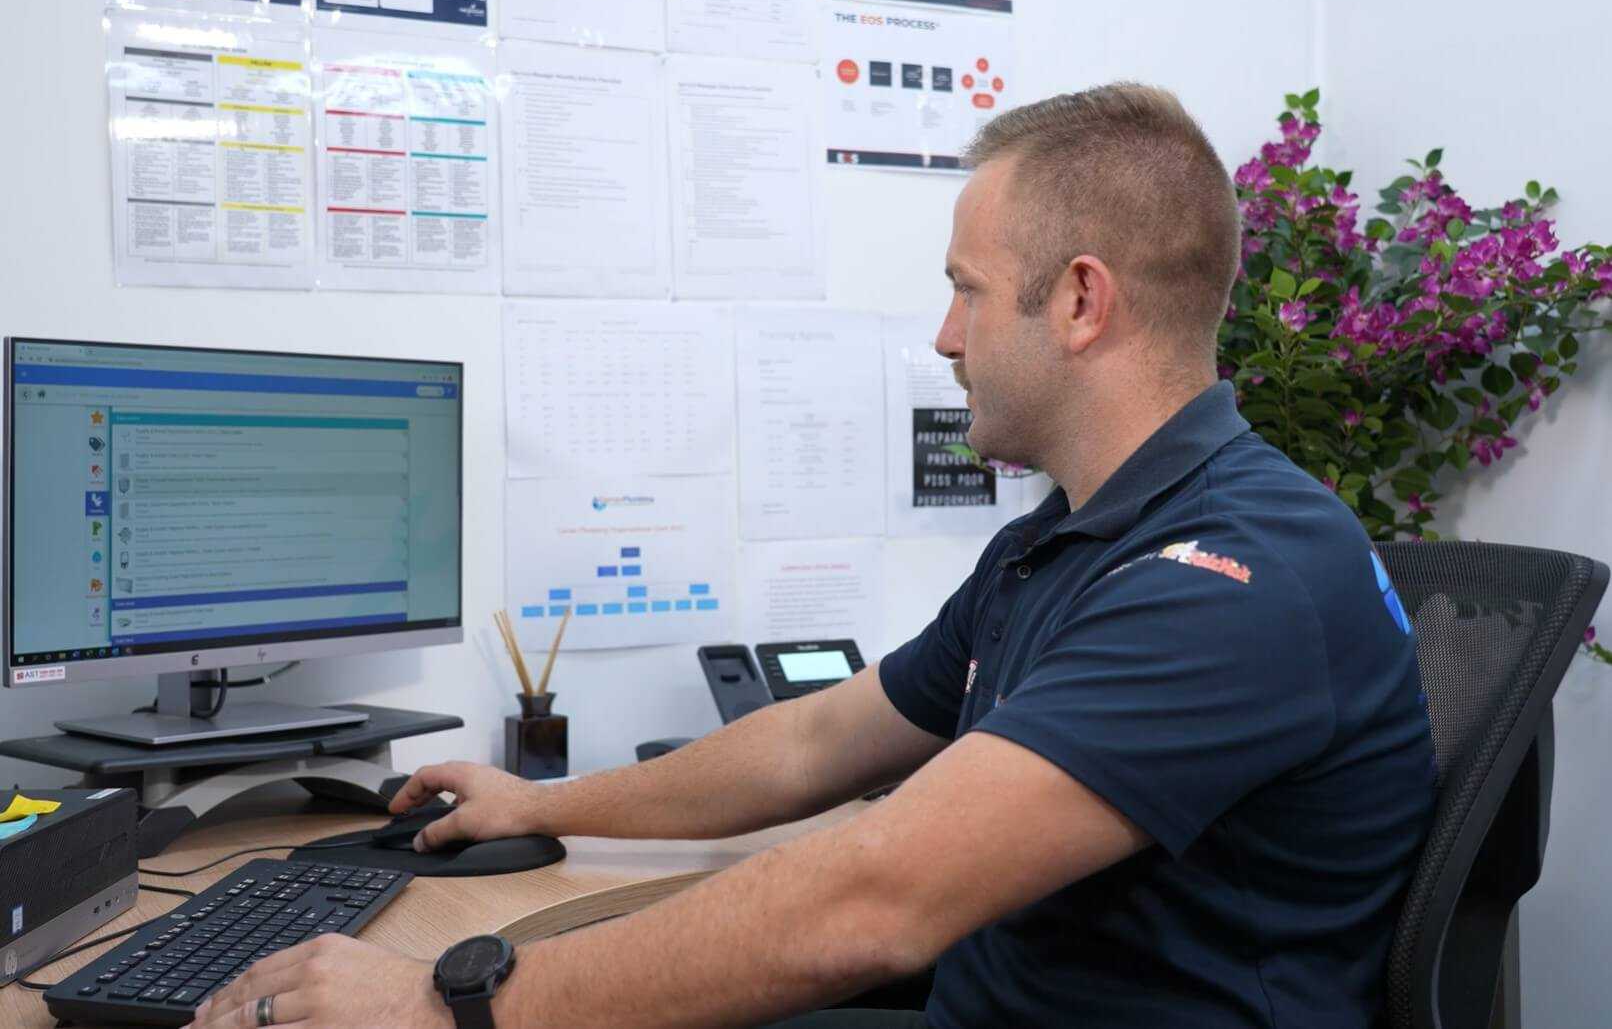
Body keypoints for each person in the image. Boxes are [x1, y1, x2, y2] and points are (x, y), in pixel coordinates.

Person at [188, 84, 1436, 1029]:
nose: (943, 336)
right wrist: (543, 805)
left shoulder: (1232, 574)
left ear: (1078, 301)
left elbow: (874, 901)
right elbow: (815, 742)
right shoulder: (1062, 541)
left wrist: (446, 998)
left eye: (965, 290)